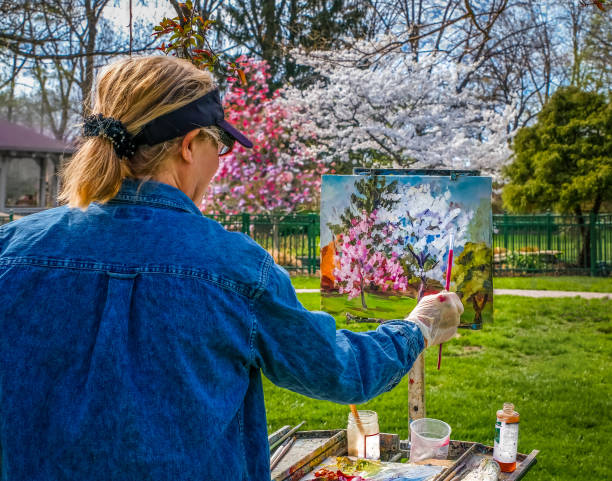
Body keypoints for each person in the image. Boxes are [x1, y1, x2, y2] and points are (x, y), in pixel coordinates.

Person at [0, 56, 463, 481]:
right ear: (188, 146)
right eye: (218, 147)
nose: (218, 166)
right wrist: (418, 327)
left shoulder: (11, 248)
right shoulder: (234, 269)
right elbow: (340, 371)